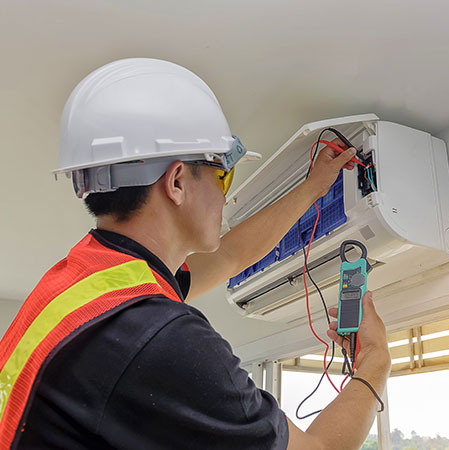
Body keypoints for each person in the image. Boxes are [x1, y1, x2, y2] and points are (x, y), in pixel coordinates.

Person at [0, 58, 391, 449]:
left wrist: (313, 189)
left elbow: (230, 256)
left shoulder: (92, 279)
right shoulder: (159, 337)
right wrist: (375, 360)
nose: (223, 196)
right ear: (176, 182)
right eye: (223, 175)